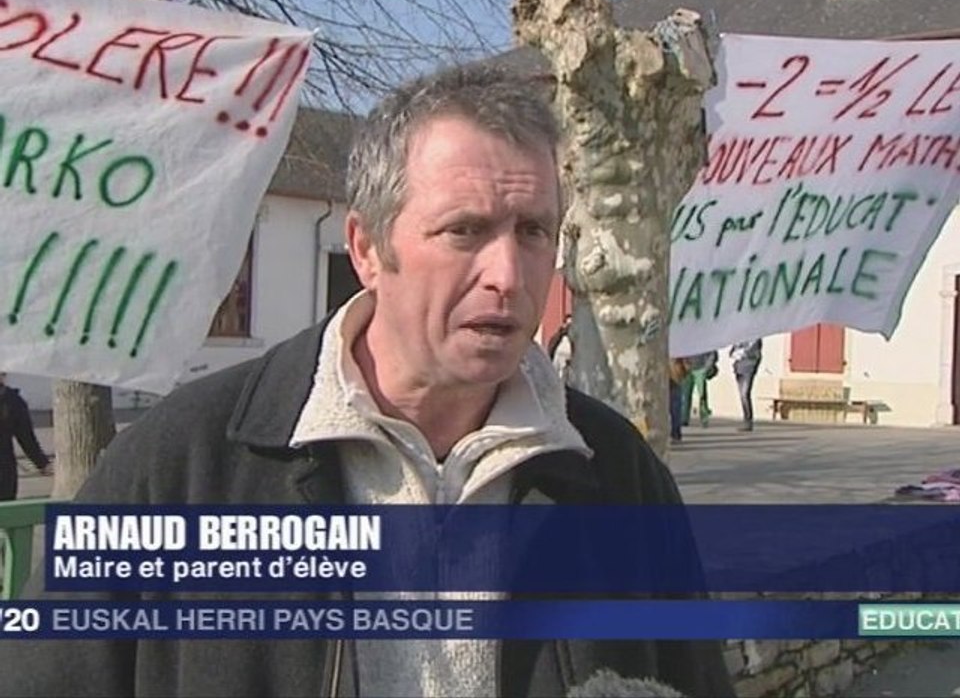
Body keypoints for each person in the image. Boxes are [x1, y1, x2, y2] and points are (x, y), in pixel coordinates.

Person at [0, 66, 733, 698]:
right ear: (366, 249)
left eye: (534, 232)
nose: (508, 276)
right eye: (466, 231)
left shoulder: (616, 476)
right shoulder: (183, 465)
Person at [0, 372, 52, 501]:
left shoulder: (13, 401)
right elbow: (26, 438)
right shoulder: (12, 400)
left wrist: (42, 463)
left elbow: (26, 437)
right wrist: (42, 464)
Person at [730, 338, 763, 432]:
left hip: (749, 367)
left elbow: (750, 352)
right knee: (742, 395)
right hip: (739, 367)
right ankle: (746, 420)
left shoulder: (755, 337)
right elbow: (732, 351)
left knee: (745, 394)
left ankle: (748, 421)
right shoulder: (739, 336)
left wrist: (738, 353)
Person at [680, 351, 718, 428]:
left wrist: (707, 367)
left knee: (702, 395)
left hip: (700, 369)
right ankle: (683, 419)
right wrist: (684, 364)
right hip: (688, 369)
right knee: (685, 395)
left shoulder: (705, 340)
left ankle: (704, 418)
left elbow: (713, 353)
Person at [546, 313, 573, 382]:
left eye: (571, 325)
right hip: (557, 362)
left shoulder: (575, 339)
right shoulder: (558, 336)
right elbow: (551, 347)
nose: (568, 327)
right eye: (567, 324)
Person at [668, 358, 687, 443]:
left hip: (674, 380)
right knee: (674, 409)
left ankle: (676, 433)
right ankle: (675, 433)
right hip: (670, 378)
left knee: (675, 409)